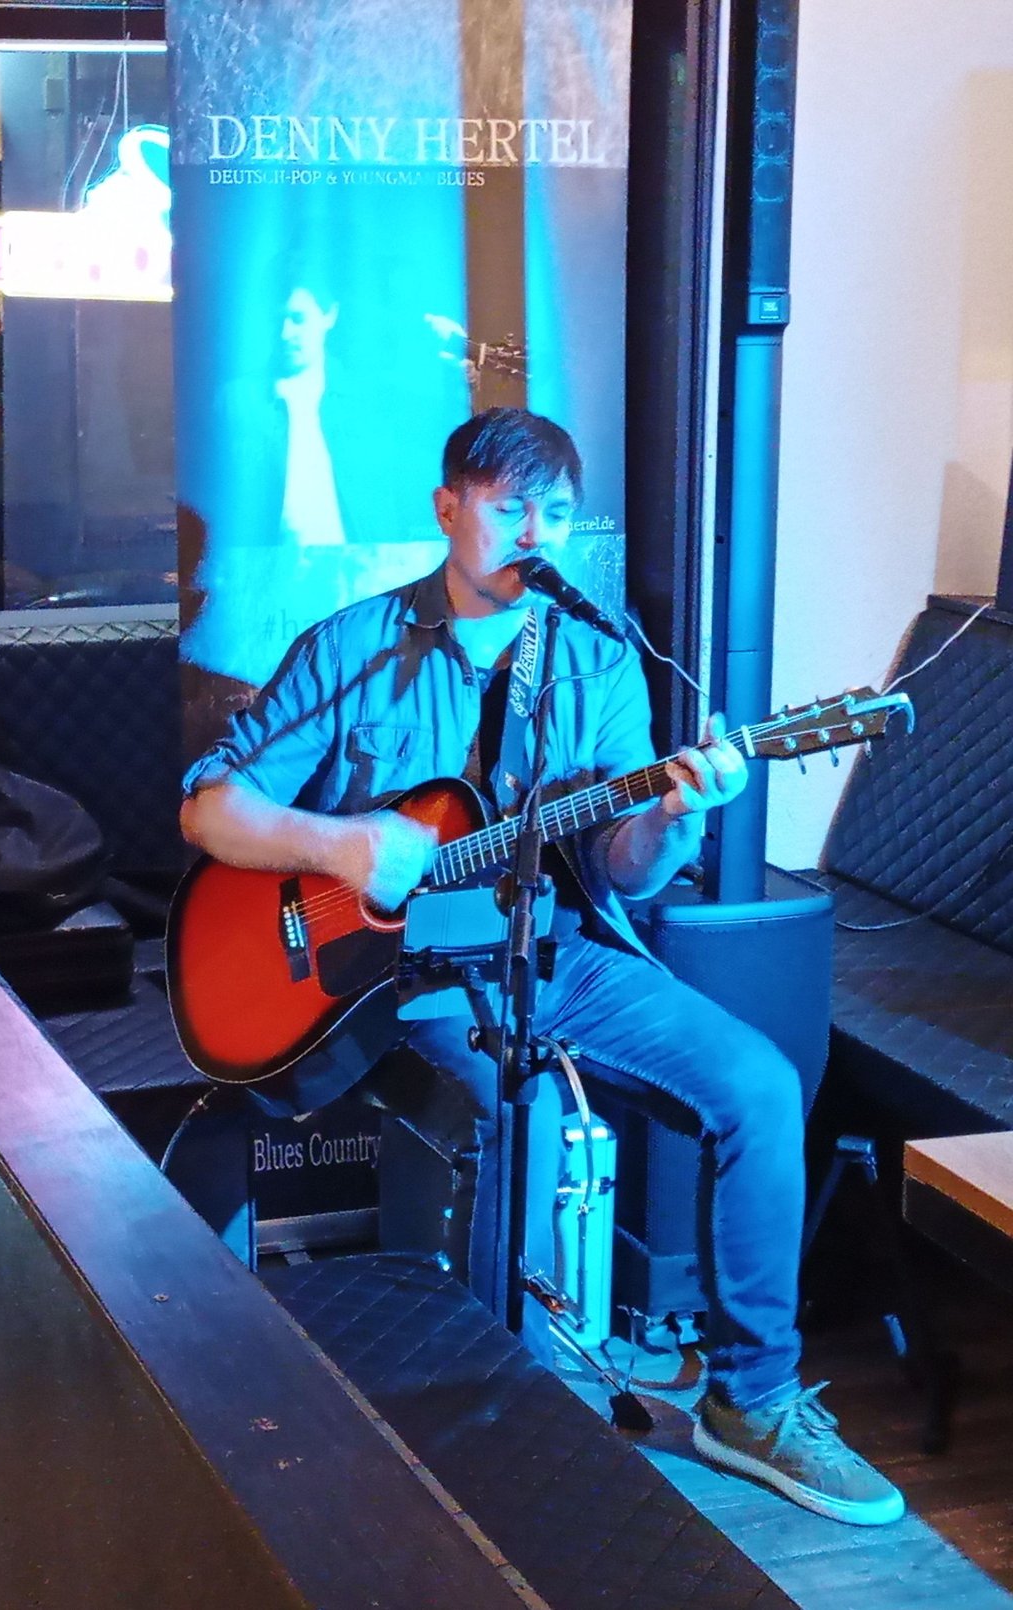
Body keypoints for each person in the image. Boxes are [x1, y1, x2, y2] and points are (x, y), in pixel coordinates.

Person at [180, 407, 905, 1527]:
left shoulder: (599, 656)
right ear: (448, 508)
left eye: (556, 511)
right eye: (510, 504)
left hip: (558, 950)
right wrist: (337, 842)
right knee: (505, 1125)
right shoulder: (353, 645)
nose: (534, 529)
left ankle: (750, 1400)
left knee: (758, 1082)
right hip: (402, 968)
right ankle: (485, 1424)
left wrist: (671, 814)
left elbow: (624, 859)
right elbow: (211, 805)